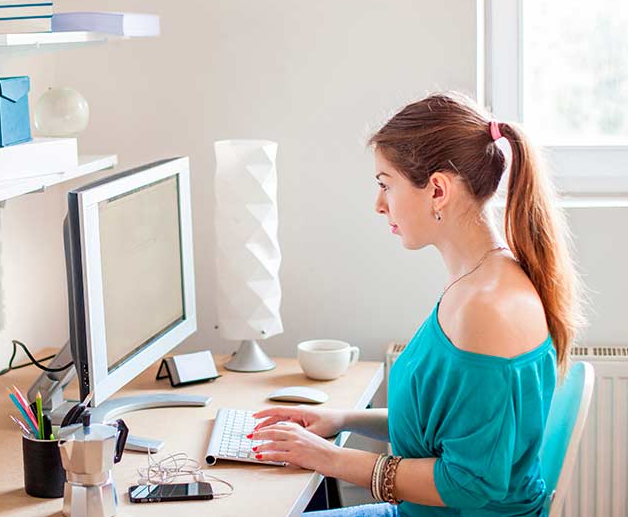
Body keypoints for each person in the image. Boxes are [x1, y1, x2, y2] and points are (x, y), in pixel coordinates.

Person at [250, 92, 584, 516]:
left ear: (438, 190)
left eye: (386, 184)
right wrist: (340, 420)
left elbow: (468, 484)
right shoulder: (478, 280)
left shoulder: (486, 309)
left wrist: (329, 458)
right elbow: (444, 429)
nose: (379, 204)